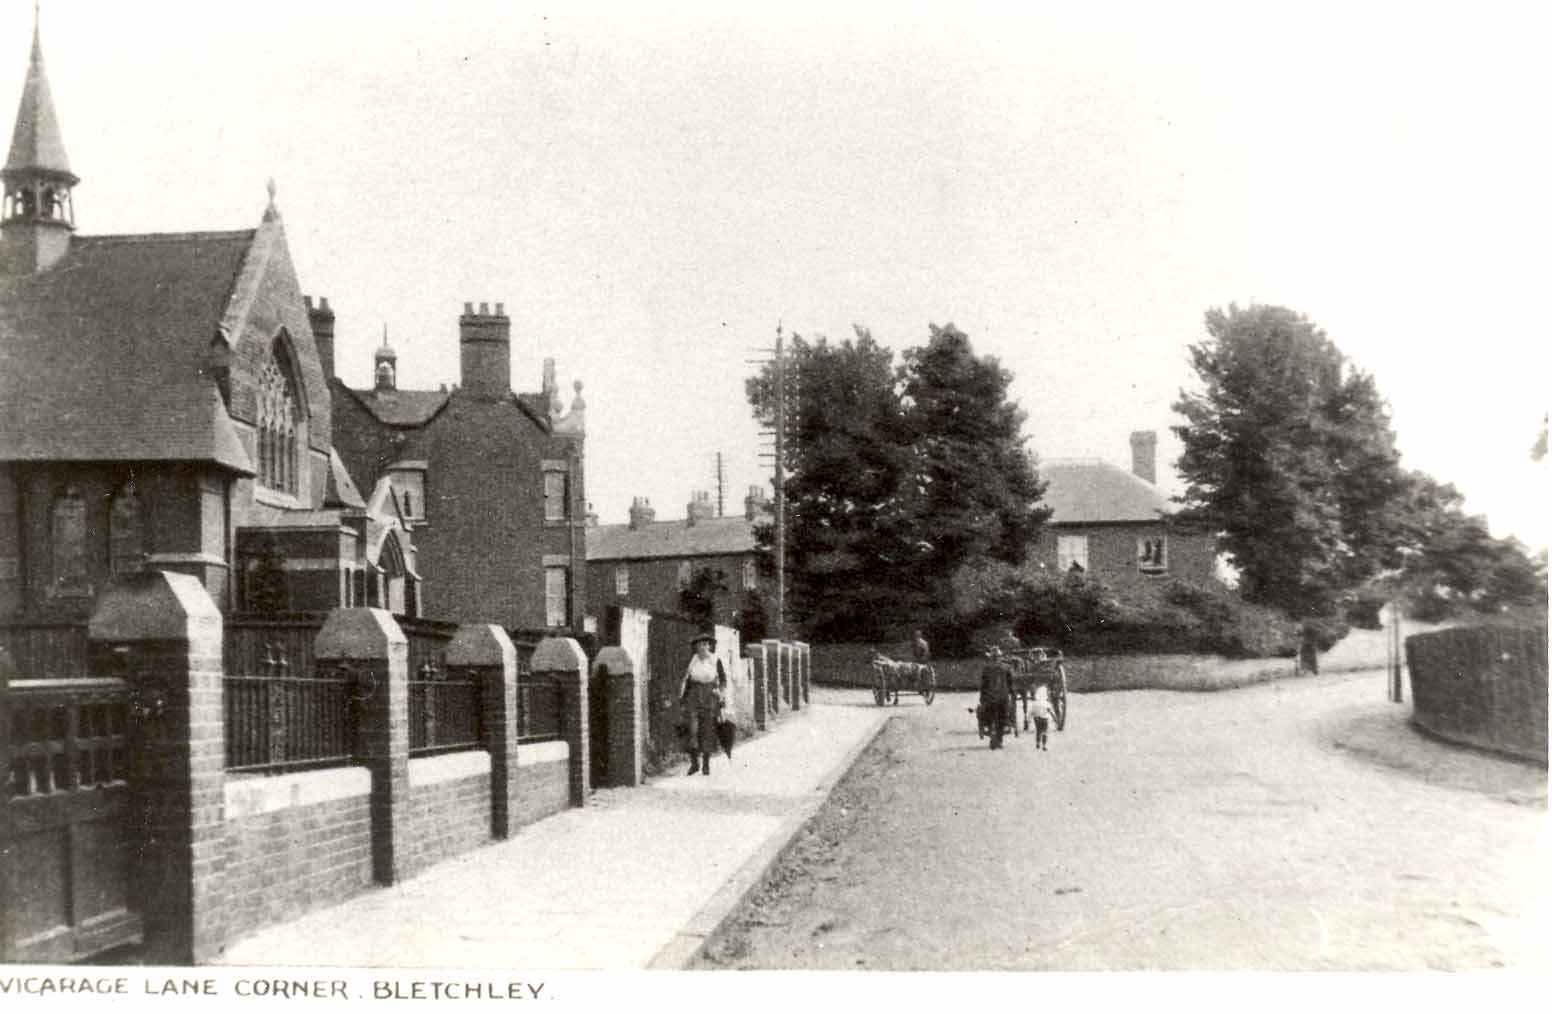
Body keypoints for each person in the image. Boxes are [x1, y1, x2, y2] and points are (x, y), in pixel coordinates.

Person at [679, 632, 727, 775]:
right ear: (696, 646)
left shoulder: (716, 660)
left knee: (707, 729)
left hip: (710, 696)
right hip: (694, 695)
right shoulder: (692, 660)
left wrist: (721, 694)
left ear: (710, 646)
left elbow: (723, 680)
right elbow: (685, 680)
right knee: (691, 729)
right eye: (700, 644)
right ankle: (695, 762)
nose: (704, 647)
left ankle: (706, 764)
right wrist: (682, 698)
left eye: (706, 644)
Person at [979, 646, 1013, 750]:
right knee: (1003, 718)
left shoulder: (986, 668)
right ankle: (999, 739)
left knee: (988, 717)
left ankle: (992, 736)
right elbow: (1010, 683)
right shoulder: (1007, 667)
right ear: (1000, 657)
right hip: (1003, 697)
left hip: (990, 697)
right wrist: (1011, 693)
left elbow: (983, 685)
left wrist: (982, 697)